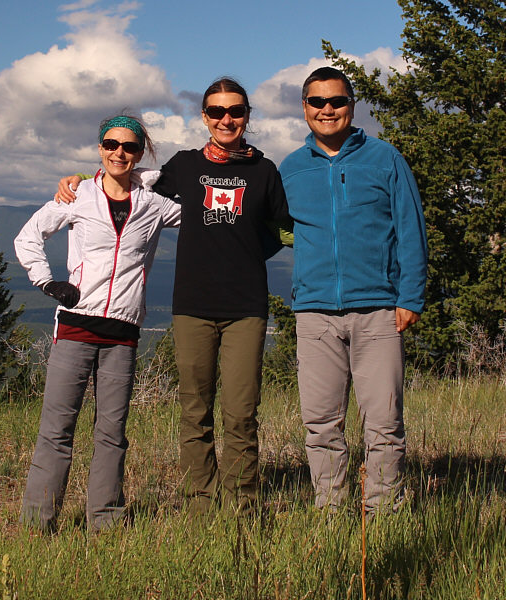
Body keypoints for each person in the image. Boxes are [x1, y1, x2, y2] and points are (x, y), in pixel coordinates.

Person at [58, 78, 289, 515]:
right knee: (194, 412)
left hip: (246, 307)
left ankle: (243, 510)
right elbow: (129, 182)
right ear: (204, 116)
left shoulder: (264, 171)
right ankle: (201, 508)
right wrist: (80, 180)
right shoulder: (183, 166)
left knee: (241, 414)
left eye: (235, 111)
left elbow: (284, 226)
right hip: (191, 307)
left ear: (247, 116)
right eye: (217, 111)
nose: (226, 119)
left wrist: (254, 251)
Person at [14, 115, 181, 532]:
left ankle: (105, 523)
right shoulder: (78, 196)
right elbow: (28, 237)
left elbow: (206, 219)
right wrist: (47, 282)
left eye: (128, 147)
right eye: (110, 144)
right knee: (57, 430)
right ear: (100, 148)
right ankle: (38, 525)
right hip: (75, 326)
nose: (118, 153)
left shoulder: (154, 203)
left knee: (112, 434)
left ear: (140, 153)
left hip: (123, 333)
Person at [279, 66, 428, 514]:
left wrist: (410, 297)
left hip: (379, 309)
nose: (327, 110)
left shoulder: (385, 159)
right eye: (317, 102)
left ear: (352, 105)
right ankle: (331, 513)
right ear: (304, 108)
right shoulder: (290, 168)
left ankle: (382, 513)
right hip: (315, 312)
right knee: (321, 424)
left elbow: (411, 229)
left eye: (336, 101)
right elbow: (274, 229)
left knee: (383, 423)